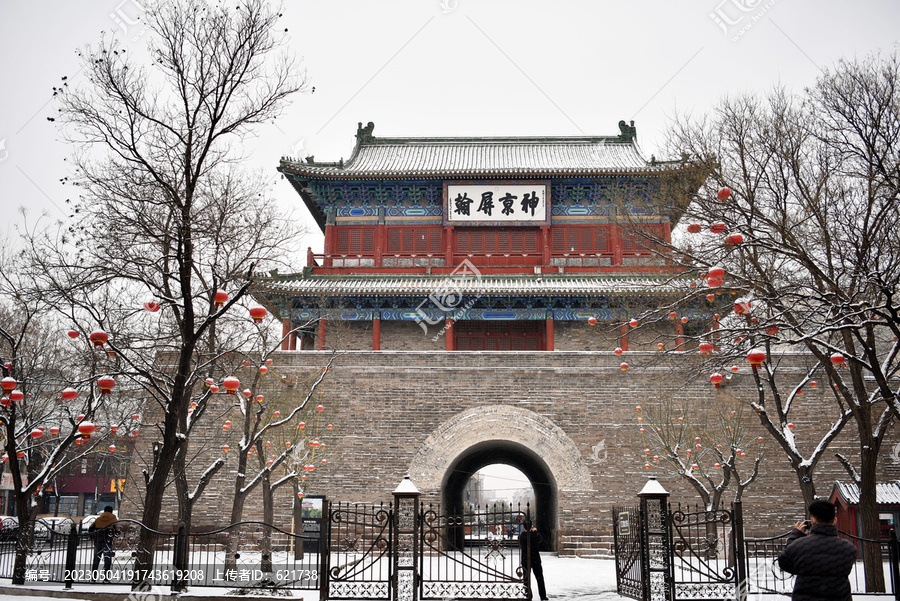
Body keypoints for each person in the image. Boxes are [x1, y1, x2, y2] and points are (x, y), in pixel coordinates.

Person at [777, 499, 857, 601]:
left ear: (813, 520)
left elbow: (784, 562)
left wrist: (795, 537)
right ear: (835, 520)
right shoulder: (848, 548)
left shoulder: (799, 545)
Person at [518, 519, 547, 601]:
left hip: (525, 560)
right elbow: (540, 540)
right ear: (531, 526)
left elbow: (519, 543)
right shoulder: (535, 535)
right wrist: (535, 532)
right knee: (539, 578)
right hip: (535, 559)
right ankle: (543, 596)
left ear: (523, 527)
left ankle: (528, 595)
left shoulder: (521, 536)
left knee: (526, 579)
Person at [89, 506, 119, 579]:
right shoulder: (114, 520)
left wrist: (93, 537)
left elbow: (90, 529)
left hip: (98, 541)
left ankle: (93, 577)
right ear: (111, 511)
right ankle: (106, 577)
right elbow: (117, 532)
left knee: (96, 559)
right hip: (108, 542)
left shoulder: (98, 519)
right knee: (107, 559)